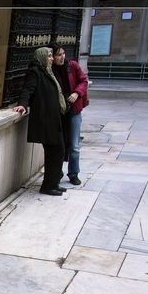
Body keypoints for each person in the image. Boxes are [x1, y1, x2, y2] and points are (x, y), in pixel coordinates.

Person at [13, 47, 69, 196]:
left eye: (52, 56)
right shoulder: (35, 72)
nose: (52, 59)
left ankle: (53, 183)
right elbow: (27, 90)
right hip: (46, 120)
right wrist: (23, 104)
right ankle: (49, 186)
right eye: (49, 56)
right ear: (42, 57)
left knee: (59, 151)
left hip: (54, 119)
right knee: (55, 152)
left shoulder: (48, 72)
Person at [49, 41, 89, 186]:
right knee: (59, 145)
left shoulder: (72, 66)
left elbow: (84, 81)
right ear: (52, 56)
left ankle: (73, 173)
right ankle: (57, 173)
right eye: (58, 54)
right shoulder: (50, 70)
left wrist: (77, 93)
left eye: (63, 53)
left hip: (73, 110)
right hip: (58, 112)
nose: (62, 57)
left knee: (74, 145)